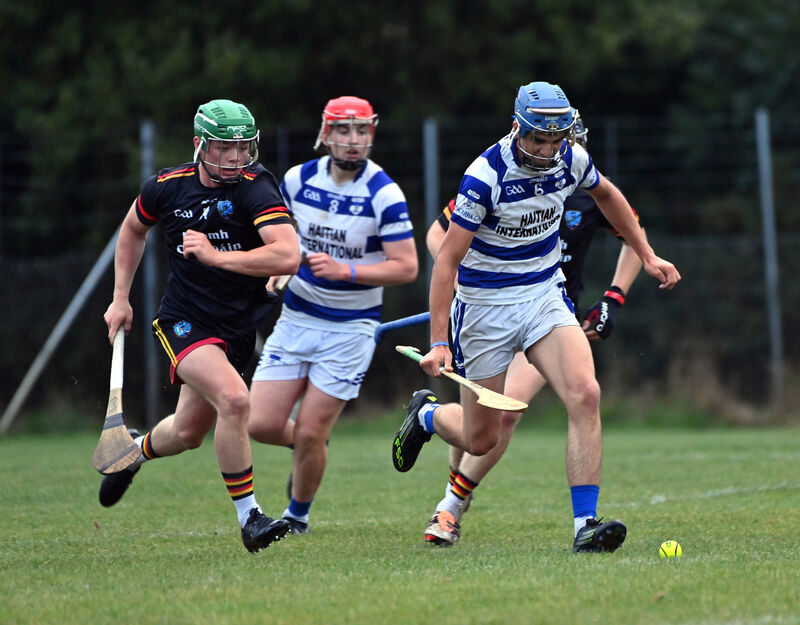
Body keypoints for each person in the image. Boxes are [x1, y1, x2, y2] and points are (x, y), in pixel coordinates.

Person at [392, 82, 680, 553]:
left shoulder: (570, 159)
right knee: (481, 438)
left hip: (544, 295)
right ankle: (426, 416)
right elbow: (445, 262)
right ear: (516, 128)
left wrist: (647, 256)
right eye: (537, 140)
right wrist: (439, 341)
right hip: (484, 310)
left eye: (555, 140)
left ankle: (585, 526)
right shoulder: (484, 177)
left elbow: (609, 195)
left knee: (585, 393)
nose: (547, 151)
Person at [99, 99, 301, 554]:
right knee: (235, 400)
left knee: (188, 433)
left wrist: (214, 255)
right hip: (184, 321)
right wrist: (119, 298)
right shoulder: (167, 188)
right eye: (224, 147)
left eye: (242, 147)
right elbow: (132, 230)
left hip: (237, 329)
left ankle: (129, 453)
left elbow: (287, 254)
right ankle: (250, 517)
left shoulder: (256, 187)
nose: (234, 157)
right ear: (199, 144)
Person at [249, 96, 418, 535]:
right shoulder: (296, 180)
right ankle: (311, 450)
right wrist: (277, 270)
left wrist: (348, 270)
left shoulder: (384, 193)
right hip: (296, 318)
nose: (353, 141)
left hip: (351, 329)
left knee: (308, 432)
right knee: (261, 424)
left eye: (361, 131)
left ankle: (297, 516)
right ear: (326, 134)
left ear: (371, 135)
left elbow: (407, 266)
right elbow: (277, 241)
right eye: (343, 131)